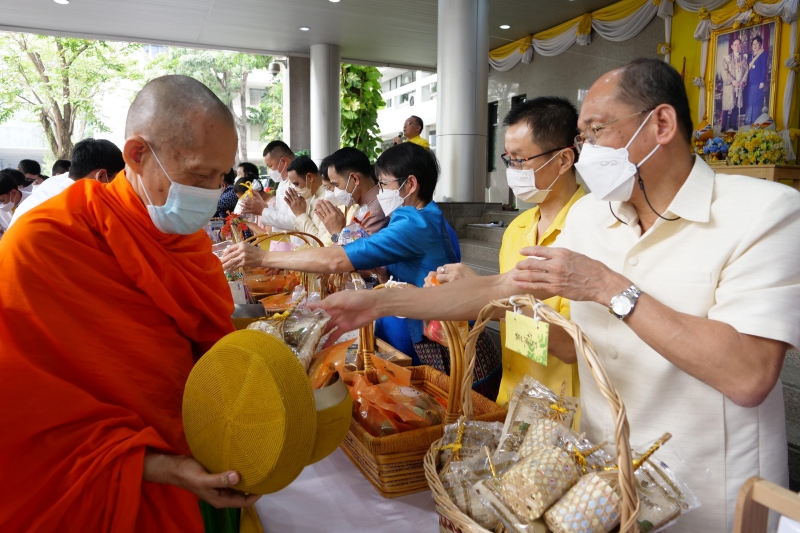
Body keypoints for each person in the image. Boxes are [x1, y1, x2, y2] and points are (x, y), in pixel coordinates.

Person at [314, 58, 799, 532]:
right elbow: (499, 289)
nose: (587, 152)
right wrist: (379, 303)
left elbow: (748, 374)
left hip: (711, 489)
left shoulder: (763, 212)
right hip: (597, 481)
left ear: (661, 124)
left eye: (596, 132)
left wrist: (608, 288)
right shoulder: (594, 216)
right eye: (582, 138)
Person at [0, 75, 261, 532]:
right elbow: (23, 410)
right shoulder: (45, 243)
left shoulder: (187, 242)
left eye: (220, 176)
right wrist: (160, 466)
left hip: (204, 459)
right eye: (199, 175)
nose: (211, 190)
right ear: (137, 155)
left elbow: (207, 353)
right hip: (106, 484)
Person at [222, 142, 459, 360]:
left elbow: (337, 259)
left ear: (411, 184)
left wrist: (264, 257)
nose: (380, 191)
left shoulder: (415, 223)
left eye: (384, 184)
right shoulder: (419, 216)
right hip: (407, 315)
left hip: (422, 330)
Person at [427, 96, 583, 406]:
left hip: (562, 412)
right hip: (510, 398)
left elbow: (570, 347)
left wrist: (486, 298)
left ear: (564, 160)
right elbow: (515, 324)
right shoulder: (517, 229)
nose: (512, 170)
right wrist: (461, 307)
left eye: (520, 160)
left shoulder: (592, 228)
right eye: (507, 159)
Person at [9, 138, 125, 228]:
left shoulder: (53, 183)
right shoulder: (74, 207)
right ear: (101, 176)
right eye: (116, 180)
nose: (117, 188)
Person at [314, 147, 389, 239]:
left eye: (336, 185)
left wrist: (336, 232)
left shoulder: (376, 212)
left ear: (355, 179)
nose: (335, 191)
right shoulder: (362, 206)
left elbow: (358, 248)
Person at [239, 141, 296, 232]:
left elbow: (295, 221)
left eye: (271, 166)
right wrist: (264, 206)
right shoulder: (282, 183)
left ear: (283, 161)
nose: (270, 171)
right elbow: (280, 213)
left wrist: (263, 210)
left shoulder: (298, 182)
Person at [284, 156, 332, 244]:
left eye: (296, 184)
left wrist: (300, 214)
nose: (295, 189)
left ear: (310, 177)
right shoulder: (312, 197)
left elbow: (320, 243)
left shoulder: (328, 199)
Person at [721, 37, 748, 131]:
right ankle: (723, 125)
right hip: (730, 85)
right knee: (727, 105)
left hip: (739, 85)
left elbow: (746, 71)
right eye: (735, 45)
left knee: (736, 105)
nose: (737, 46)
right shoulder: (727, 58)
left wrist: (742, 81)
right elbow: (724, 72)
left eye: (738, 44)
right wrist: (733, 81)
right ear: (732, 46)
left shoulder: (743, 58)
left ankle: (733, 124)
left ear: (741, 45)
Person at [745, 35, 768, 125]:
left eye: (757, 43)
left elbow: (764, 68)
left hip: (757, 82)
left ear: (760, 44)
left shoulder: (763, 54)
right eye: (753, 44)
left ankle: (754, 122)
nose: (755, 46)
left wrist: (762, 81)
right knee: (750, 102)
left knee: (756, 102)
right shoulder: (750, 56)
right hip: (749, 83)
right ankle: (748, 121)